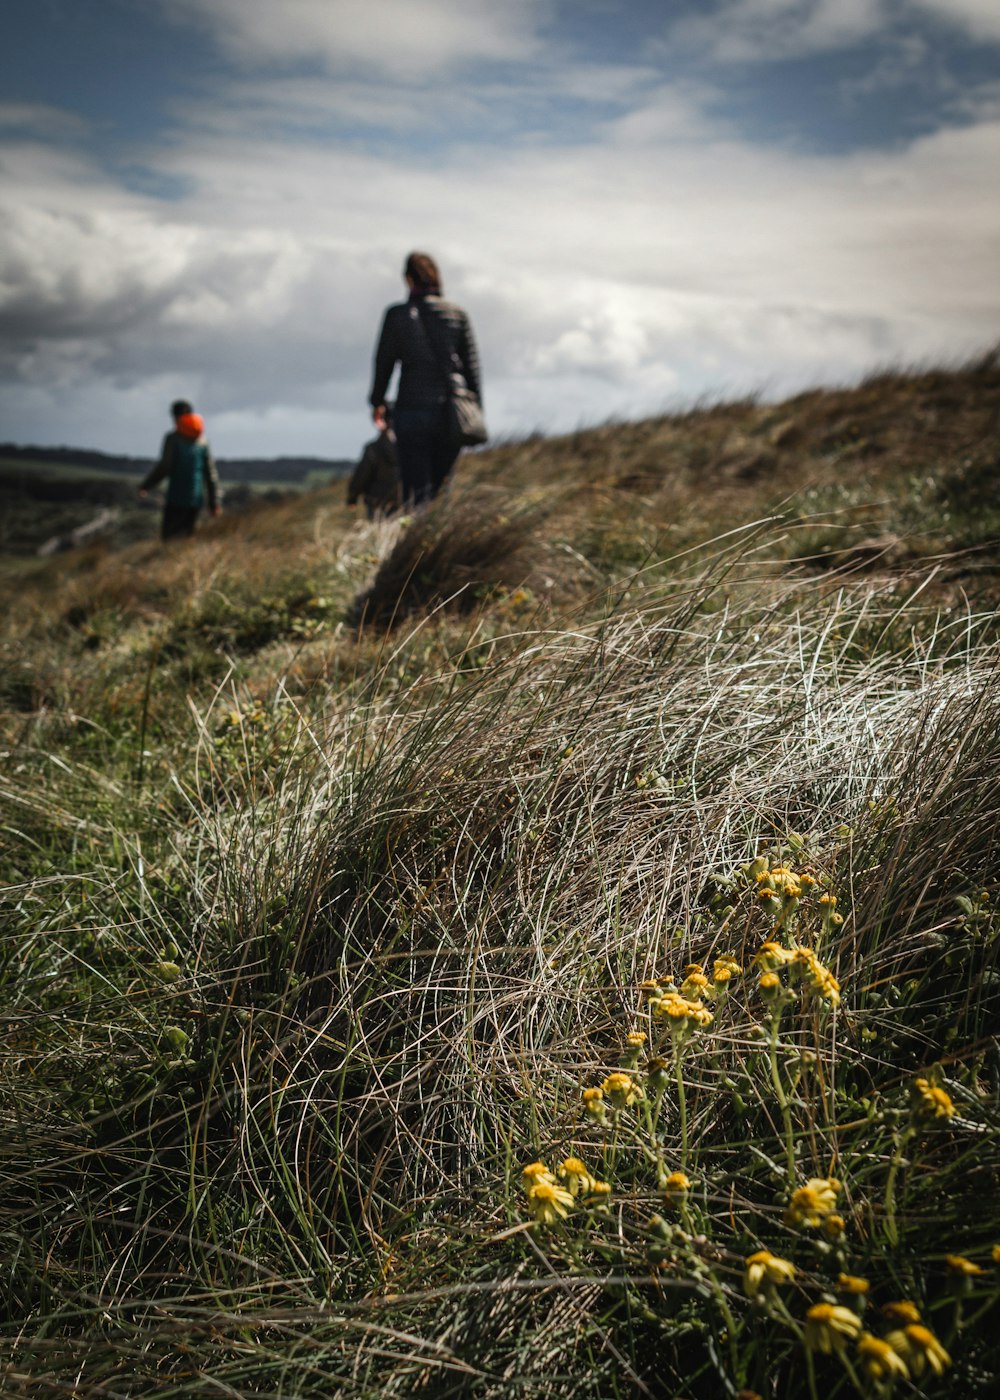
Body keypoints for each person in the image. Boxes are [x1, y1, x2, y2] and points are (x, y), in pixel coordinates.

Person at [368, 251, 482, 507]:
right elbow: (472, 368)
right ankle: (437, 541)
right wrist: (476, 413)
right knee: (442, 491)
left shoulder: (396, 315)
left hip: (411, 412)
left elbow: (383, 363)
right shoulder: (457, 314)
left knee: (415, 493)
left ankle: (417, 544)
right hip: (451, 413)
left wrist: (377, 402)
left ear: (409, 279)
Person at [139, 399, 221, 540]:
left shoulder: (173, 438)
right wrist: (214, 503)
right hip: (195, 499)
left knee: (169, 539)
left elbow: (165, 467)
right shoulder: (202, 441)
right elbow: (211, 474)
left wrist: (146, 486)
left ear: (175, 417)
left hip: (175, 498)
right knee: (186, 539)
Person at [347, 406, 401, 518]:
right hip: (406, 502)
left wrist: (352, 497)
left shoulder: (373, 449)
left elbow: (362, 474)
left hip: (378, 504)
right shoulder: (414, 446)